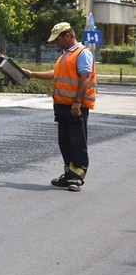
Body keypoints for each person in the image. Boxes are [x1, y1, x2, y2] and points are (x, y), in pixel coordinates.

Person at [22, 22, 96, 192]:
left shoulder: (82, 53)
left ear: (68, 35)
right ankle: (69, 174)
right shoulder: (65, 56)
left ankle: (77, 177)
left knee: (77, 141)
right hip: (62, 106)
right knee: (65, 141)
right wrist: (32, 74)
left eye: (58, 39)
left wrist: (77, 102)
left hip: (75, 107)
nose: (56, 43)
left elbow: (85, 77)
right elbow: (54, 75)